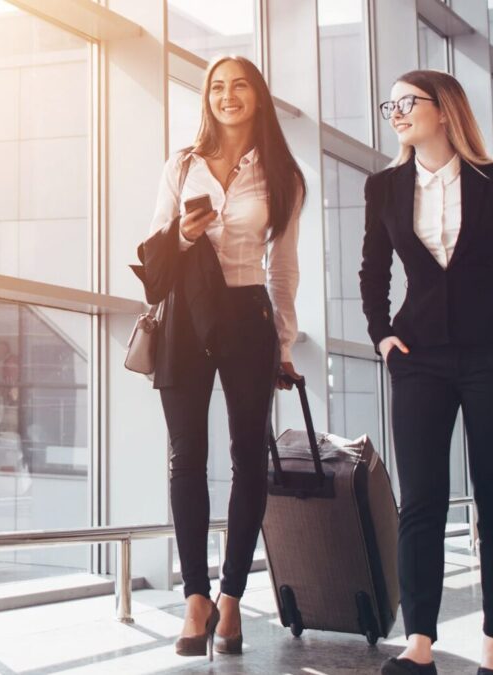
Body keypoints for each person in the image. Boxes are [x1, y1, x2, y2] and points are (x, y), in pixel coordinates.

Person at [359, 70, 493, 675]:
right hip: (418, 357)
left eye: (408, 102)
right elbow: (373, 272)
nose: (395, 113)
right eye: (389, 104)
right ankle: (419, 641)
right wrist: (381, 336)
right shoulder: (384, 186)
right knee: (421, 500)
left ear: (445, 110)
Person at [141, 55, 305, 659]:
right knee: (187, 457)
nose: (227, 95)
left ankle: (232, 596)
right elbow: (153, 246)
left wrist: (284, 346)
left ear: (257, 96)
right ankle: (195, 598)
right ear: (206, 97)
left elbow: (282, 271)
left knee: (248, 458)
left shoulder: (284, 175)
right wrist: (185, 233)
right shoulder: (181, 164)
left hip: (247, 318)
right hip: (186, 316)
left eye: (239, 86)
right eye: (216, 86)